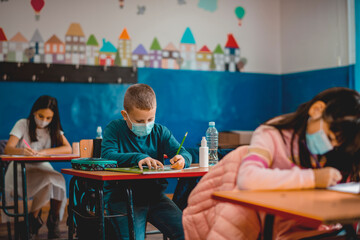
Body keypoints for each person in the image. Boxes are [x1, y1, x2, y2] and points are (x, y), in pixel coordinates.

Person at [235, 87, 360, 238]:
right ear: (316, 110)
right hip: (286, 229)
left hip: (325, 227)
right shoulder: (272, 134)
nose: (330, 146)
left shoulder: (330, 151)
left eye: (335, 144)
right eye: (329, 137)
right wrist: (313, 179)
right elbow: (247, 178)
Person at [101, 83, 192, 240]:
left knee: (187, 232)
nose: (146, 125)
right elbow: (107, 156)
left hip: (154, 196)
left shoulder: (160, 132)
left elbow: (184, 152)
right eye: (139, 121)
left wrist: (182, 159)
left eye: (150, 119)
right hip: (122, 197)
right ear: (125, 115)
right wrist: (139, 157)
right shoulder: (114, 128)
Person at [4, 95, 72, 239]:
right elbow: (8, 149)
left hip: (41, 165)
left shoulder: (53, 128)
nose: (44, 121)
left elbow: (68, 149)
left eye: (48, 118)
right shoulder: (23, 124)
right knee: (49, 179)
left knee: (58, 180)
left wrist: (44, 152)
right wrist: (21, 151)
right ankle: (32, 221)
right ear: (34, 111)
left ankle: (52, 222)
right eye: (41, 116)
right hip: (20, 167)